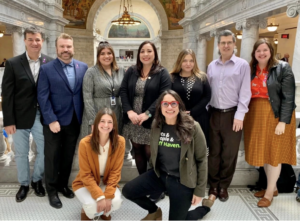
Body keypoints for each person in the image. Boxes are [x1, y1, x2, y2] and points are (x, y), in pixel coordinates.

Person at [122, 90, 210, 220]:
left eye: (173, 103)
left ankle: (204, 209)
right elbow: (154, 151)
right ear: (160, 107)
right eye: (165, 104)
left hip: (182, 181)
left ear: (179, 106)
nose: (170, 107)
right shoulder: (156, 125)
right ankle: (154, 211)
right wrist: (151, 172)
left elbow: (202, 159)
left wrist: (199, 191)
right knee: (128, 191)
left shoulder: (193, 127)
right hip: (160, 175)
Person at [2, 26, 53, 202]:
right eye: (30, 39)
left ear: (42, 41)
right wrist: (8, 120)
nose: (34, 43)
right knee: (21, 153)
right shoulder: (13, 63)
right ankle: (24, 184)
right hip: (19, 116)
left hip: (43, 115)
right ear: (25, 41)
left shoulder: (50, 62)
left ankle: (37, 180)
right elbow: (7, 94)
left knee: (46, 149)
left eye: (37, 39)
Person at [37, 33, 88, 209]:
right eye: (62, 47)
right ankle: (51, 191)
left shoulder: (83, 67)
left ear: (73, 48)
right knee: (52, 157)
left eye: (68, 47)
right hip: (54, 122)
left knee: (68, 156)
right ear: (57, 48)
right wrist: (51, 119)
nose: (66, 50)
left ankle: (62, 185)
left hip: (74, 120)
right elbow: (42, 97)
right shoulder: (46, 69)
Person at [244, 39, 296, 207]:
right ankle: (271, 187)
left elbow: (288, 97)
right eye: (258, 50)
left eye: (265, 50)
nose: (262, 53)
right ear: (254, 53)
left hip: (275, 115)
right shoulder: (251, 69)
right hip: (256, 114)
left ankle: (269, 194)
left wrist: (283, 122)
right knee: (265, 153)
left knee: (273, 154)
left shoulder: (283, 68)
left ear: (271, 51)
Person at [207, 30, 251, 202]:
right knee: (214, 152)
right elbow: (208, 91)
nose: (226, 45)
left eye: (229, 42)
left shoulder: (242, 65)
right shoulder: (212, 66)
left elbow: (245, 93)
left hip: (233, 115)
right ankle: (213, 185)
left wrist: (240, 115)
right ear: (218, 45)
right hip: (213, 114)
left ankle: (224, 186)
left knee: (229, 153)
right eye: (222, 42)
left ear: (234, 44)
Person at [120, 41, 171, 188]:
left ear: (155, 53)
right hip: (133, 120)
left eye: (149, 51)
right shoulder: (131, 71)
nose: (146, 54)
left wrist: (147, 114)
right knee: (137, 151)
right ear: (139, 54)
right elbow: (123, 91)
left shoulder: (162, 73)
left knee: (152, 154)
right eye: (142, 51)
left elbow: (164, 95)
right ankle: (144, 184)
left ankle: (158, 187)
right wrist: (129, 111)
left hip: (152, 120)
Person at [73, 108, 125, 220]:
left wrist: (108, 195)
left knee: (116, 202)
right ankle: (86, 210)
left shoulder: (120, 142)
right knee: (92, 206)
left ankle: (104, 212)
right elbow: (85, 174)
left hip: (106, 181)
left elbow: (115, 172)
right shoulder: (85, 143)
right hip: (86, 182)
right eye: (102, 121)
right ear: (96, 123)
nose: (106, 125)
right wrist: (100, 197)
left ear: (114, 125)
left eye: (110, 122)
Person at [80, 41, 125, 138]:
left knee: (113, 144)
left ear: (113, 55)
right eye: (102, 54)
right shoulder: (91, 72)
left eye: (109, 53)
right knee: (96, 146)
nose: (106, 56)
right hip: (97, 114)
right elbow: (87, 98)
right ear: (98, 56)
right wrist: (93, 120)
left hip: (116, 114)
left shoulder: (120, 71)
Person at [170, 49, 211, 148]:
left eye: (191, 60)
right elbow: (169, 97)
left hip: (200, 118)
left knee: (199, 148)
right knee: (180, 147)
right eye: (184, 60)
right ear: (180, 61)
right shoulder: (172, 77)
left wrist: (192, 111)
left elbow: (207, 96)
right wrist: (179, 111)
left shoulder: (202, 77)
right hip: (178, 118)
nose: (188, 63)